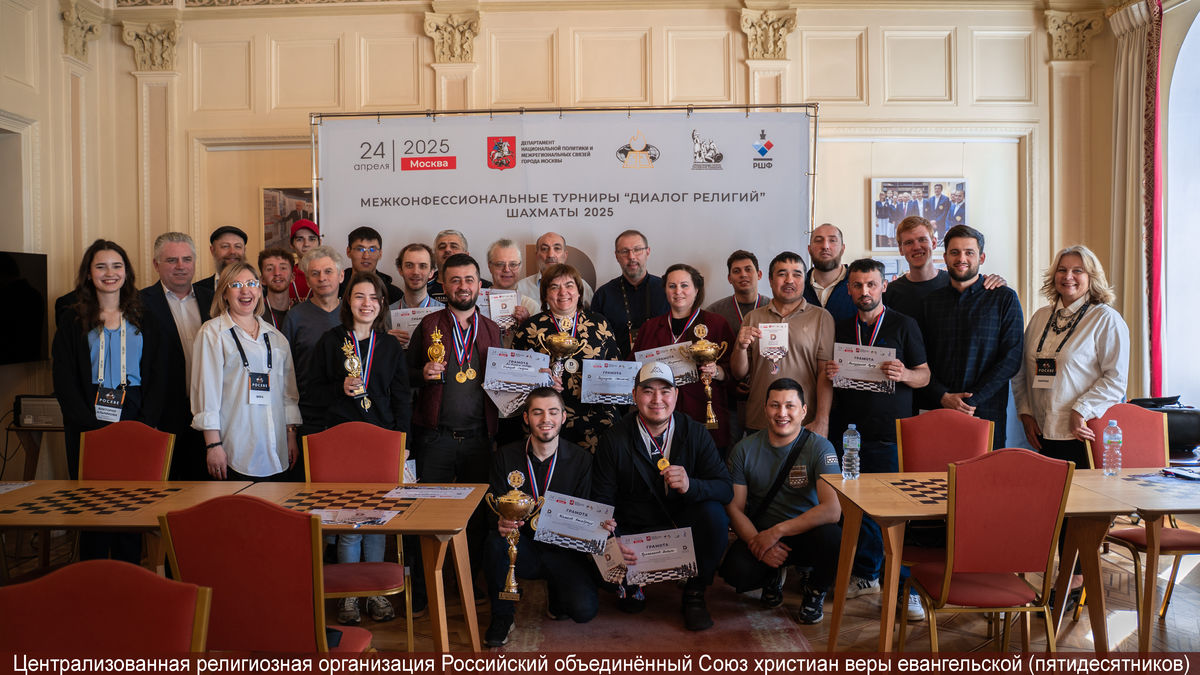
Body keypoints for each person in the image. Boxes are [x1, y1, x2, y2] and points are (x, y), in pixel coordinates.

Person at [823, 258, 931, 621]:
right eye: (857, 285)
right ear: (849, 289)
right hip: (849, 434)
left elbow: (925, 376)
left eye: (871, 284)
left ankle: (901, 588)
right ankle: (867, 574)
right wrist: (831, 371)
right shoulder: (840, 327)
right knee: (856, 509)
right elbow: (830, 378)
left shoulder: (904, 324)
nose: (864, 291)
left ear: (884, 285)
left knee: (894, 512)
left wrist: (905, 374)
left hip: (890, 434)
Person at [593, 362, 732, 631]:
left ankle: (694, 593)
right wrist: (613, 540)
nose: (657, 399)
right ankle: (634, 585)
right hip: (635, 529)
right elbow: (602, 500)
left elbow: (725, 489)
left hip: (681, 524)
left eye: (665, 391)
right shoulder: (613, 439)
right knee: (610, 582)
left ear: (676, 396)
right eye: (648, 391)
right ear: (634, 396)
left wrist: (691, 485)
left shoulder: (695, 432)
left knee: (714, 515)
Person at [309, 271, 412, 625]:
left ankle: (376, 592)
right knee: (348, 523)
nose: (366, 304)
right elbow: (312, 392)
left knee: (377, 522)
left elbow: (402, 398)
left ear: (382, 304)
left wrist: (403, 443)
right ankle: (349, 595)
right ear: (347, 301)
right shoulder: (330, 341)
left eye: (373, 298)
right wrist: (339, 387)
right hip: (342, 444)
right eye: (359, 296)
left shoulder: (389, 347)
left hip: (381, 445)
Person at [407, 253, 502, 578]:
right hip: (436, 438)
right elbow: (404, 375)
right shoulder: (429, 325)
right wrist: (422, 373)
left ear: (479, 285)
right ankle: (423, 590)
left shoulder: (492, 329)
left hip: (479, 440)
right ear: (444, 285)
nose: (463, 286)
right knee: (426, 514)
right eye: (456, 280)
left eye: (469, 279)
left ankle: (470, 586)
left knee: (476, 518)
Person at [53, 240, 167, 508]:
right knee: (92, 500)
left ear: (126, 272)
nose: (110, 273)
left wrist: (146, 421)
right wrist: (86, 424)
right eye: (101, 267)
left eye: (117, 266)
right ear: (88, 273)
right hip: (87, 414)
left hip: (136, 411)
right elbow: (64, 378)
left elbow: (159, 373)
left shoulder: (146, 317)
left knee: (134, 497)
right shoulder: (72, 320)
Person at [483, 387, 599, 647]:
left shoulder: (581, 460)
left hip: (562, 550)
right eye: (537, 412)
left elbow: (585, 516)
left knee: (583, 611)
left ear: (563, 417)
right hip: (521, 547)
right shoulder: (506, 456)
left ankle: (556, 592)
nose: (546, 419)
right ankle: (502, 615)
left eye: (553, 412)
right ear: (526, 418)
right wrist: (500, 522)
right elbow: (491, 507)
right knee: (494, 544)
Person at [721, 378, 842, 624]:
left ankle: (815, 592)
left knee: (834, 537)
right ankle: (772, 576)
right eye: (775, 405)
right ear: (765, 408)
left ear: (804, 411)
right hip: (761, 532)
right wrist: (758, 542)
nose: (782, 413)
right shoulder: (744, 449)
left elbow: (832, 510)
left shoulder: (821, 448)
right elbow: (734, 508)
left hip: (805, 533)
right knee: (735, 571)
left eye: (790, 406)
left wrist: (777, 532)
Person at [1014, 245, 1129, 468]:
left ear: (1091, 277)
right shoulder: (1040, 317)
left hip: (1082, 432)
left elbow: (1115, 380)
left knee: (1081, 492)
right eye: (1062, 270)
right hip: (1041, 432)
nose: (1068, 276)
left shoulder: (1106, 319)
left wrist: (1080, 410)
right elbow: (1021, 372)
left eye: (1078, 271)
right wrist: (1025, 413)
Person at [192, 262, 301, 481]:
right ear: (224, 294)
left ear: (260, 290)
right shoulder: (212, 333)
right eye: (236, 285)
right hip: (234, 450)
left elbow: (288, 395)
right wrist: (213, 445)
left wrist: (291, 436)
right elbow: (207, 394)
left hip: (276, 449)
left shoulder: (276, 338)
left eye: (251, 283)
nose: (245, 291)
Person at [920, 225, 1023, 450]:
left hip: (986, 411)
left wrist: (970, 400)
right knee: (937, 469)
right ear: (945, 257)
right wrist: (943, 396)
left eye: (969, 252)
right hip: (939, 408)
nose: (961, 259)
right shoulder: (930, 303)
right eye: (954, 252)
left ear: (981, 257)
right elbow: (920, 359)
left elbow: (1012, 358)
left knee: (986, 471)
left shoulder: (1004, 299)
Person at [511, 263, 622, 451]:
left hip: (597, 421)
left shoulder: (600, 324)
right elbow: (515, 378)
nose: (563, 292)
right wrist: (538, 382)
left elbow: (616, 370)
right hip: (546, 422)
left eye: (569, 285)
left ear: (579, 292)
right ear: (545, 295)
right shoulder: (530, 329)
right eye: (554, 287)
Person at [731, 252, 834, 438]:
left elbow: (825, 374)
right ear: (770, 280)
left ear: (805, 281)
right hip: (760, 419)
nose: (789, 280)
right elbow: (739, 373)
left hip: (804, 421)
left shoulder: (821, 318)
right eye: (782, 274)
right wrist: (740, 347)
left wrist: (822, 420)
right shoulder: (753, 317)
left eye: (797, 274)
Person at [634, 264, 735, 453]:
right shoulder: (650, 328)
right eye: (672, 286)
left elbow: (735, 371)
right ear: (665, 290)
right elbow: (635, 370)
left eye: (684, 285)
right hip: (658, 417)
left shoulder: (716, 324)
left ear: (696, 289)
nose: (678, 291)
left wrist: (716, 371)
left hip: (703, 413)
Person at [139, 232, 213, 481]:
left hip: (206, 415)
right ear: (156, 264)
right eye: (172, 260)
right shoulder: (138, 304)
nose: (181, 266)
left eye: (186, 259)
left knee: (206, 490)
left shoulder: (213, 300)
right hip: (162, 416)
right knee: (165, 489)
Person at [883, 216, 1006, 321]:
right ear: (900, 249)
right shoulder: (889, 293)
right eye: (909, 242)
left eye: (922, 240)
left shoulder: (957, 283)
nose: (916, 247)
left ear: (934, 243)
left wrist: (997, 284)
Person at [281, 246, 345, 440]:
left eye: (328, 271)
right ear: (308, 281)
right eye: (315, 274)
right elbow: (285, 372)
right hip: (308, 415)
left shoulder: (354, 314)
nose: (322, 278)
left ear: (341, 276)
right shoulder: (295, 317)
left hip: (348, 412)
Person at [705, 250, 769, 441]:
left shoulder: (773, 308)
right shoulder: (714, 312)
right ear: (729, 278)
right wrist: (732, 384)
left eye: (748, 269)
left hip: (764, 395)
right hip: (727, 398)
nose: (743, 275)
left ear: (759, 274)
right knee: (731, 450)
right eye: (736, 271)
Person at [591, 229, 669, 359]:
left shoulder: (667, 290)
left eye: (637, 250)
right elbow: (596, 342)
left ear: (647, 252)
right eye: (624, 251)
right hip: (617, 368)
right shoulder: (603, 295)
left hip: (661, 366)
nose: (631, 257)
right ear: (617, 256)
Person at [387, 243, 444, 348]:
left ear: (431, 272)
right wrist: (385, 341)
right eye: (409, 265)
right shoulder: (386, 315)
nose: (416, 272)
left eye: (423, 266)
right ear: (400, 270)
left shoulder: (444, 314)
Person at [516, 231, 593, 304]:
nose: (551, 255)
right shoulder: (521, 288)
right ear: (536, 255)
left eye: (557, 248)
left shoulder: (582, 286)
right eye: (544, 249)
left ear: (565, 255)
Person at [803, 224, 855, 323]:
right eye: (818, 240)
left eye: (832, 240)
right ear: (809, 249)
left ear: (842, 249)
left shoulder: (859, 286)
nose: (825, 246)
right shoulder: (798, 288)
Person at [338, 226, 402, 304]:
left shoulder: (394, 295)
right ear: (348, 252)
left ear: (380, 254)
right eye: (360, 249)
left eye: (372, 249)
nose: (366, 256)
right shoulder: (335, 289)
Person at [428, 230, 492, 302]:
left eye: (454, 246)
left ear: (466, 255)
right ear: (434, 256)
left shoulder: (487, 288)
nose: (447, 249)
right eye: (442, 247)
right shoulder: (424, 287)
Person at [194, 225, 247, 292]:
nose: (232, 252)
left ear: (244, 250)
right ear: (212, 250)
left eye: (238, 246)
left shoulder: (257, 287)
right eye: (225, 246)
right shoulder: (197, 290)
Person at [258, 248, 294, 330]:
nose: (277, 273)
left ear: (292, 277)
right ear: (262, 280)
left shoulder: (302, 312)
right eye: (269, 269)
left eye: (283, 268)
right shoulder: (255, 312)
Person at [288, 219, 320, 302]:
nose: (306, 244)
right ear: (291, 244)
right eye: (300, 239)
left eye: (312, 239)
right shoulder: (285, 275)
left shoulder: (327, 275)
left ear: (320, 242)